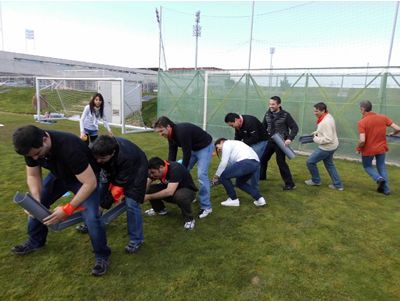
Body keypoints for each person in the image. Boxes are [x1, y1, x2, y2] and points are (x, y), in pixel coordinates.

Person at [12, 125, 111, 276]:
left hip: (85, 179)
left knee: (91, 216)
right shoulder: (31, 149)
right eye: (32, 156)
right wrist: (36, 200)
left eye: (38, 154)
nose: (35, 158)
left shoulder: (70, 147)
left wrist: (68, 209)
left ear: (45, 139)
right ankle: (35, 241)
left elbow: (90, 183)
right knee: (36, 205)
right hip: (60, 175)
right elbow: (33, 175)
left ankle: (102, 256)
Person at [90, 135, 147, 253]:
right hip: (114, 167)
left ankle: (136, 240)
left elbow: (119, 185)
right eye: (96, 157)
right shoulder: (96, 150)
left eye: (102, 158)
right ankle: (94, 221)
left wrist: (104, 204)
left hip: (136, 170)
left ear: (112, 153)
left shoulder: (127, 157)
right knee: (100, 190)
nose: (98, 161)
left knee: (132, 203)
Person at [153, 116, 213, 219]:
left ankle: (206, 206)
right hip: (192, 148)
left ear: (168, 126)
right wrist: (169, 169)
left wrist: (182, 170)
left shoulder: (181, 131)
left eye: (161, 131)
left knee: (201, 175)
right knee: (180, 170)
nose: (160, 134)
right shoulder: (170, 135)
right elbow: (172, 152)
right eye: (158, 132)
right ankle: (191, 194)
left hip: (204, 147)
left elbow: (186, 153)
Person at [357, 100, 400, 195]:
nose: (360, 110)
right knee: (381, 167)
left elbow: (362, 140)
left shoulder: (362, 122)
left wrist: (358, 148)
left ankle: (379, 179)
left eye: (360, 109)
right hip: (381, 148)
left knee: (367, 166)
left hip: (368, 150)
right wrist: (393, 133)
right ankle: (386, 190)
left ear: (363, 109)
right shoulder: (383, 117)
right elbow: (398, 128)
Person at [144, 157, 198, 230]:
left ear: (161, 167)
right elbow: (148, 182)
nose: (151, 175)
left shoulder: (175, 169)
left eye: (153, 172)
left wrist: (148, 197)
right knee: (151, 189)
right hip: (172, 188)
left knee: (180, 196)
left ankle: (189, 219)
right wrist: (142, 193)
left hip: (187, 190)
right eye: (150, 173)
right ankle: (160, 209)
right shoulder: (158, 169)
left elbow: (169, 192)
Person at [212, 138, 266, 207]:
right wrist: (220, 178)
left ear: (222, 142)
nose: (219, 150)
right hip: (255, 164)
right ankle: (260, 199)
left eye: (218, 147)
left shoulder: (226, 144)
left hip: (246, 162)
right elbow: (228, 166)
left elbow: (223, 163)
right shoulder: (234, 145)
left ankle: (233, 199)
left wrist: (217, 176)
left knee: (223, 176)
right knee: (240, 183)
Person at [260, 96, 298, 190]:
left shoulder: (285, 115)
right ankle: (262, 176)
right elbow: (263, 126)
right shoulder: (267, 114)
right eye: (269, 104)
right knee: (263, 159)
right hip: (270, 141)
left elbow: (294, 127)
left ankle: (290, 184)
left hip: (281, 142)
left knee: (281, 162)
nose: (271, 106)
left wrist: (289, 138)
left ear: (279, 104)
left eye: (273, 104)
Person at [304, 102, 344, 190]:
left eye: (317, 111)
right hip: (333, 145)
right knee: (329, 165)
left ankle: (316, 180)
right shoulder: (327, 116)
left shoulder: (325, 122)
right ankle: (338, 185)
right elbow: (326, 131)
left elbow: (328, 139)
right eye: (314, 111)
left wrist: (315, 139)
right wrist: (317, 132)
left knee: (310, 162)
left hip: (327, 147)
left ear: (323, 111)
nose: (315, 113)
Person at [224, 113, 268, 183]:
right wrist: (234, 146)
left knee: (254, 161)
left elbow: (255, 138)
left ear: (236, 120)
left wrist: (242, 143)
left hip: (260, 141)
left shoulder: (250, 122)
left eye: (232, 125)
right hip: (249, 141)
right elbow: (238, 136)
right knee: (241, 158)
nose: (232, 127)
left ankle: (253, 185)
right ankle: (242, 180)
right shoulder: (237, 124)